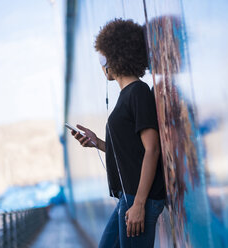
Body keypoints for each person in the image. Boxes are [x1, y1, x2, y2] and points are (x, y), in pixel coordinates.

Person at [69, 18, 166, 248]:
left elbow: (152, 149)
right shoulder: (127, 96)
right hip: (128, 196)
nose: (101, 65)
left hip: (140, 198)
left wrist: (140, 204)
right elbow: (131, 149)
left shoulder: (138, 92)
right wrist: (98, 143)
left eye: (101, 58)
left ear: (112, 58)